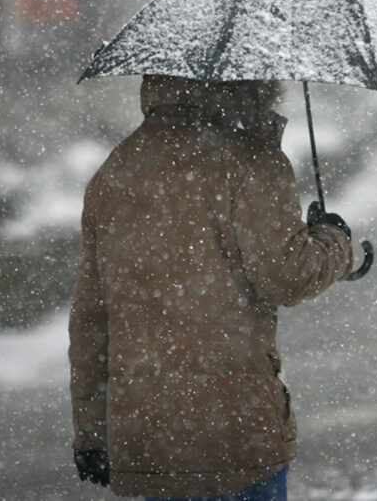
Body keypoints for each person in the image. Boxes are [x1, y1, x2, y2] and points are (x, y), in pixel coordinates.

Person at [68, 75, 354, 499]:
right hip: (234, 433)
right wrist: (335, 242)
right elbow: (289, 277)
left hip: (150, 433)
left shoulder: (117, 170)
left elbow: (91, 319)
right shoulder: (251, 161)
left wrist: (92, 432)